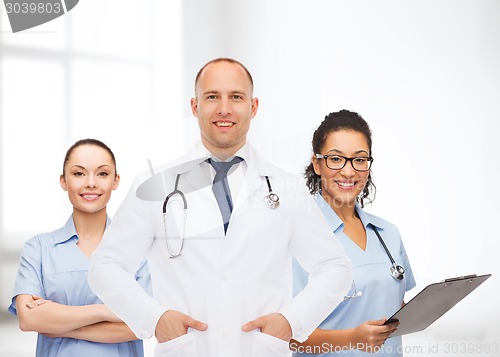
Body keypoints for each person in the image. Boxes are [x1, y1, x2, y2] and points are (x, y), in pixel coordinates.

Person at [88, 58, 352, 357]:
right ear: (194, 106)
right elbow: (105, 267)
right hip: (185, 350)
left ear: (253, 107)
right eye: (212, 96)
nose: (224, 109)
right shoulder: (153, 186)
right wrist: (154, 319)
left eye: (236, 97)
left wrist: (292, 321)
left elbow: (335, 267)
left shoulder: (286, 188)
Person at [8, 138, 151, 357]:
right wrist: (109, 311)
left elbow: (142, 324)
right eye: (79, 173)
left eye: (102, 174)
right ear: (63, 181)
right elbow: (28, 319)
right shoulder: (39, 248)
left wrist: (59, 323)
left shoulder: (138, 248)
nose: (91, 183)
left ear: (115, 180)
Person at [290, 110, 416, 356]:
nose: (349, 172)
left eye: (359, 160)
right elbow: (286, 336)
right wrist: (352, 339)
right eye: (336, 159)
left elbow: (392, 307)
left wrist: (433, 305)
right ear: (317, 164)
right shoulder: (297, 234)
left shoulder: (388, 234)